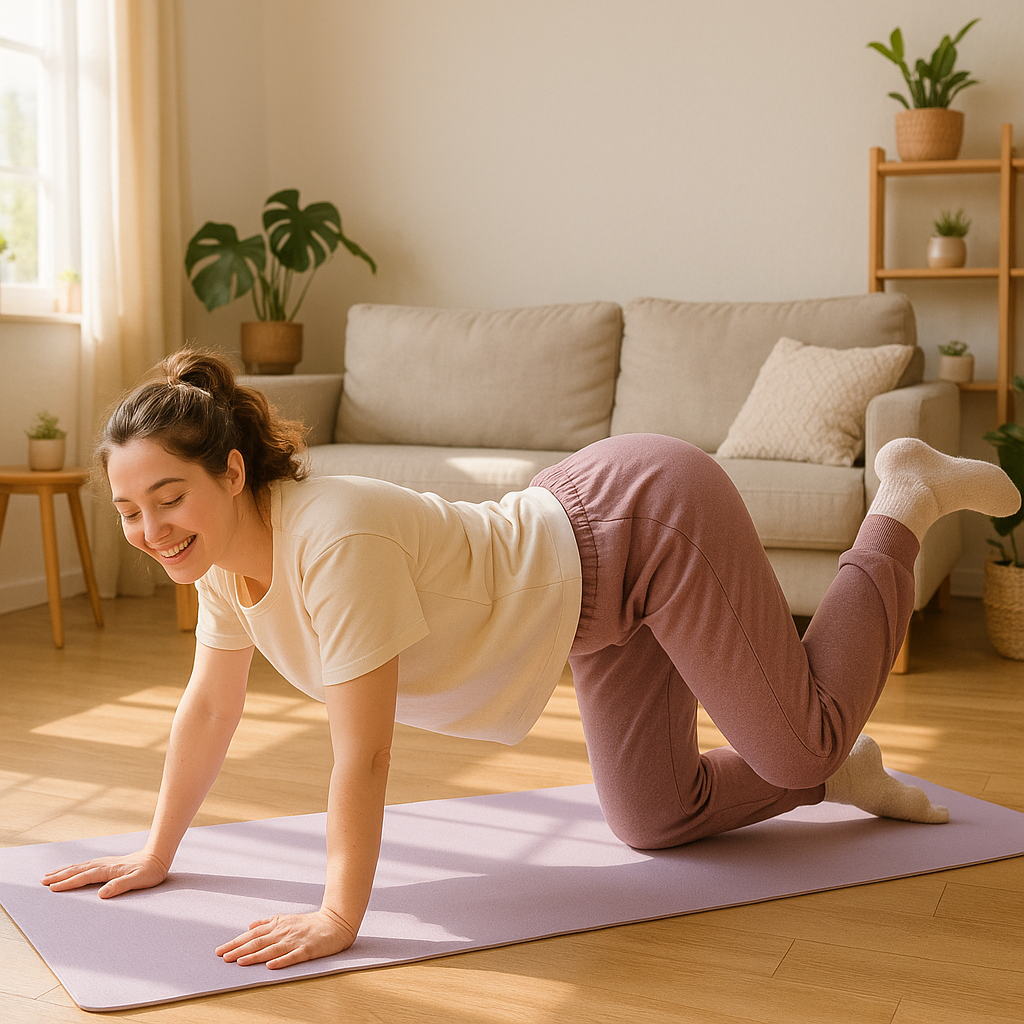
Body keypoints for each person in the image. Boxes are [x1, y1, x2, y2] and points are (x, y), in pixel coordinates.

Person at [41, 350, 1020, 971]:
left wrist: (340, 911)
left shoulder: (328, 539)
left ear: (231, 472)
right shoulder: (219, 565)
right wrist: (157, 852)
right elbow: (209, 709)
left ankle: (903, 499)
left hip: (643, 524)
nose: (150, 528)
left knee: (792, 741)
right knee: (654, 817)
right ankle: (831, 768)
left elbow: (363, 756)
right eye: (129, 510)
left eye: (167, 497)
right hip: (585, 596)